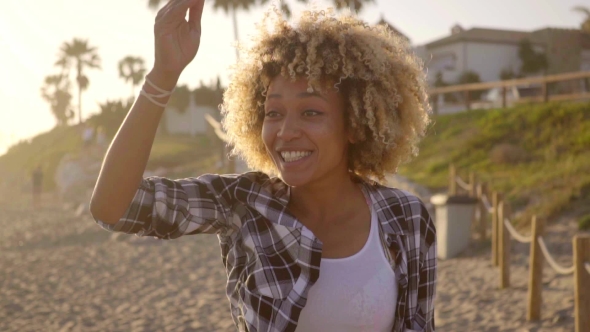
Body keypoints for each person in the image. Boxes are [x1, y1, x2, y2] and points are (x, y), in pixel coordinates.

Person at [90, 1, 436, 331]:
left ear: (356, 124)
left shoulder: (405, 218)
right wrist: (163, 75)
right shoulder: (243, 204)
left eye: (311, 112)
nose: (286, 132)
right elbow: (113, 208)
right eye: (273, 113)